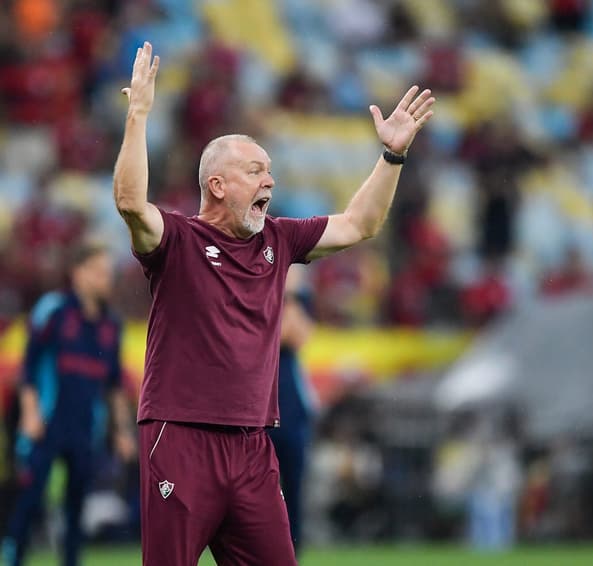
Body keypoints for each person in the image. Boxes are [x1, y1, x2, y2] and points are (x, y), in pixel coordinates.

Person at [113, 42, 434, 566]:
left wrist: (392, 155)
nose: (270, 180)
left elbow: (359, 224)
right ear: (216, 185)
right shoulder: (178, 240)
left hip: (252, 445)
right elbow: (130, 203)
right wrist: (139, 115)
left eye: (270, 171)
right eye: (256, 171)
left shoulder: (279, 240)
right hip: (181, 435)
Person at [1, 242, 135, 566]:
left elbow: (114, 385)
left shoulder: (111, 325)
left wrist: (122, 431)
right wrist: (30, 416)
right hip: (46, 424)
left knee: (76, 510)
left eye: (109, 273)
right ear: (79, 273)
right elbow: (29, 369)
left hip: (86, 428)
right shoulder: (53, 311)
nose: (107, 279)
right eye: (100, 272)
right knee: (30, 502)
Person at [267, 266, 316, 554]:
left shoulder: (297, 301)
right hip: (263, 411)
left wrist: (289, 297)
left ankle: (292, 553)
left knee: (294, 488)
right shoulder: (261, 294)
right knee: (261, 489)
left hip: (292, 410)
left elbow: (296, 335)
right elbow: (274, 334)